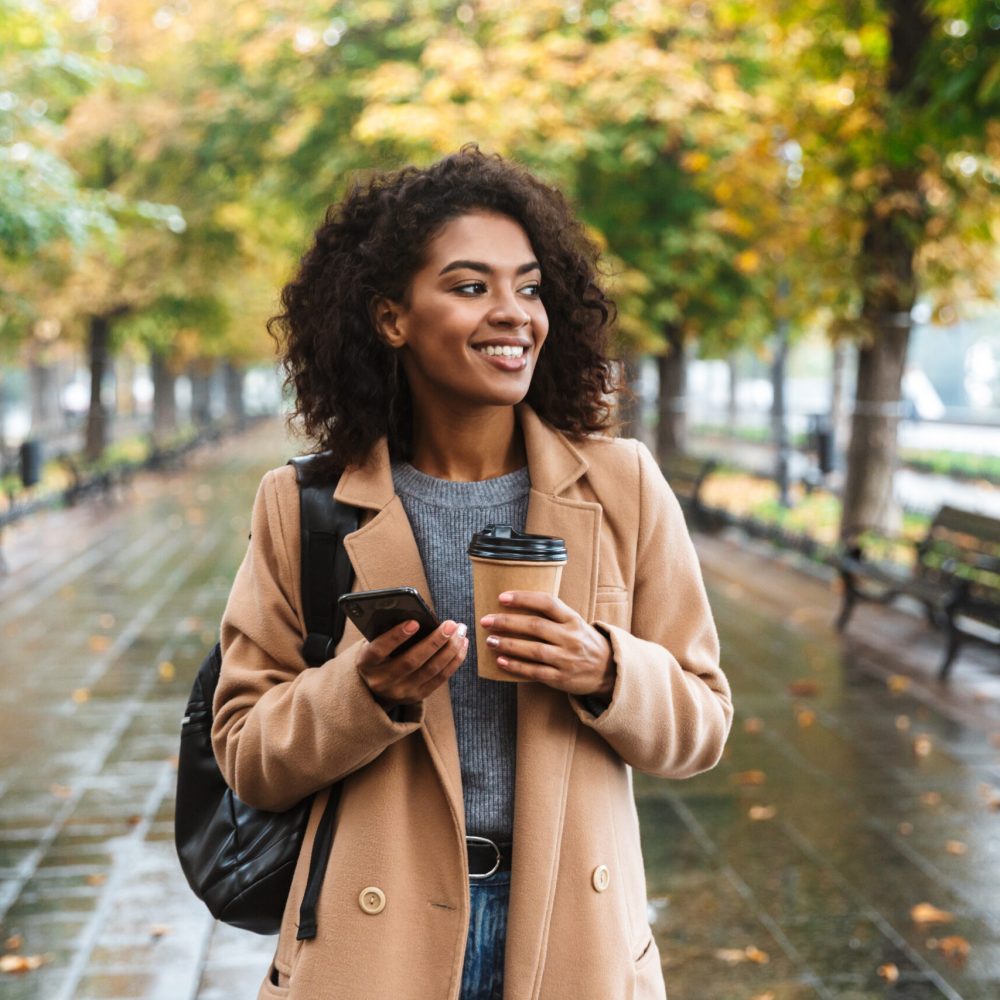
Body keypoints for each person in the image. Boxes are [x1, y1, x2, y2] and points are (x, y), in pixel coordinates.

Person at [212, 146, 732, 1000]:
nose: (513, 314)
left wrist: (606, 670)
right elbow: (246, 753)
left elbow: (704, 723)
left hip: (573, 938)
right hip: (375, 943)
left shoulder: (623, 485)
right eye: (469, 286)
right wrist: (363, 694)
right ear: (392, 318)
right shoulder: (303, 506)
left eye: (529, 288)